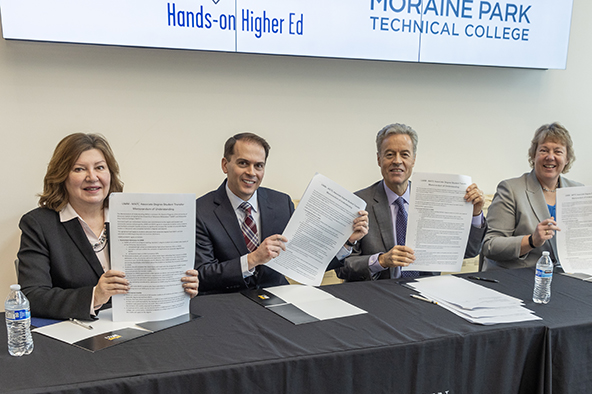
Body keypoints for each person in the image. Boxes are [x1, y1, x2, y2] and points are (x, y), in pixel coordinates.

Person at [17, 133, 199, 320]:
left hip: (139, 324)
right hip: (79, 331)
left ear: (110, 174)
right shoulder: (39, 224)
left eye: (100, 167)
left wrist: (178, 287)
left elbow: (150, 278)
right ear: (62, 176)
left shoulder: (135, 216)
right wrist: (94, 296)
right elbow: (32, 296)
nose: (92, 177)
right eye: (79, 169)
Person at [195, 132, 369, 293]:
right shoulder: (200, 211)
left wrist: (348, 242)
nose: (251, 172)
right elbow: (202, 275)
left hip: (277, 298)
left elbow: (307, 259)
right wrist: (252, 259)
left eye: (259, 166)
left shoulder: (281, 203)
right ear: (225, 165)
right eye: (243, 163)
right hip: (226, 302)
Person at [336, 123, 487, 281]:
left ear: (413, 160)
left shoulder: (436, 200)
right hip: (378, 293)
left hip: (428, 289)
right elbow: (342, 267)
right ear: (379, 159)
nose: (397, 161)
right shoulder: (359, 203)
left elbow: (470, 251)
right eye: (389, 155)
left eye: (405, 154)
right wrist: (381, 261)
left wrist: (476, 213)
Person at [482, 122, 592, 269]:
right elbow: (490, 245)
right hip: (520, 276)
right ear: (533, 155)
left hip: (565, 276)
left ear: (567, 158)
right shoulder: (511, 189)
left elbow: (585, 243)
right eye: (543, 150)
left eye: (558, 151)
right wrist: (531, 241)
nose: (550, 157)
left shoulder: (578, 190)